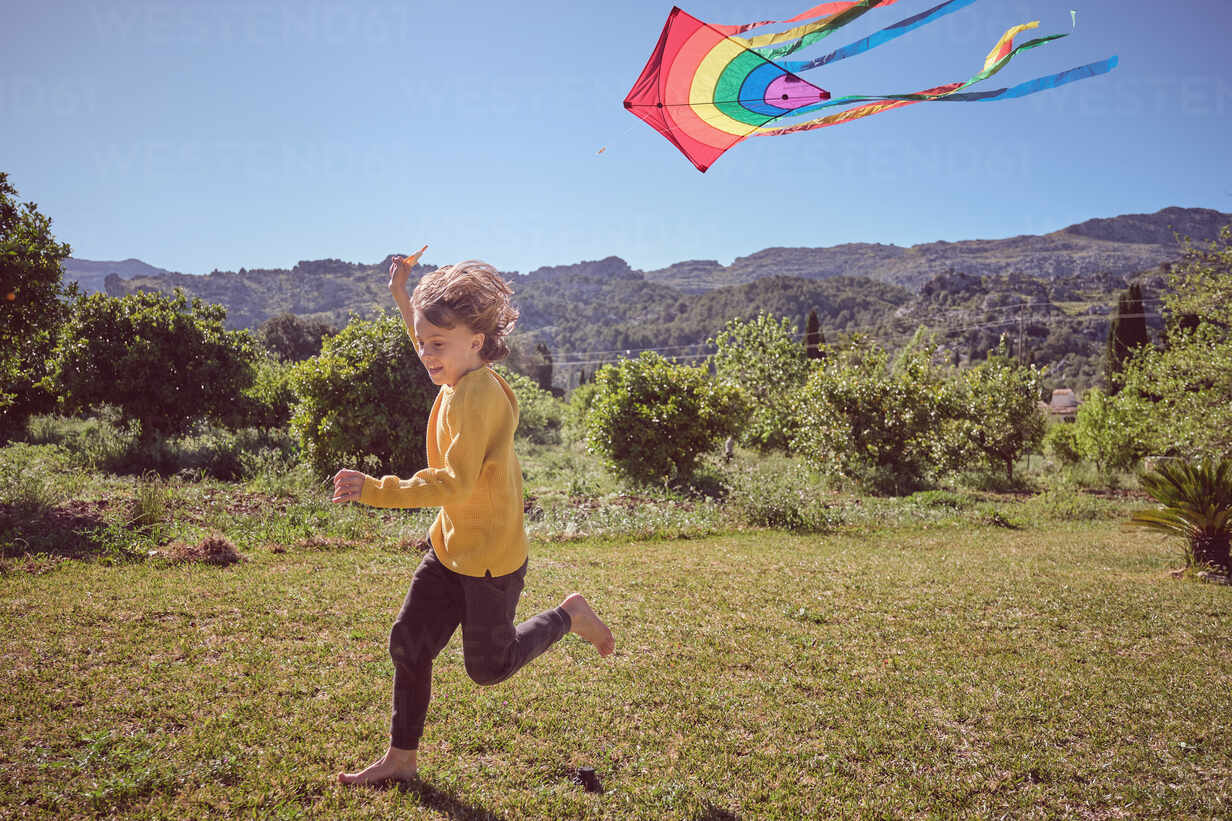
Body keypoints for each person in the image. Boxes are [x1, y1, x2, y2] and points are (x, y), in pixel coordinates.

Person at [332, 247, 614, 785]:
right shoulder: (455, 371)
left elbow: (453, 482)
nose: (425, 354)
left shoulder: (477, 396)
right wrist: (403, 294)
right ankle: (402, 760)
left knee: (489, 667)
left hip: (489, 560)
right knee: (409, 643)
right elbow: (432, 334)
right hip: (449, 549)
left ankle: (568, 615)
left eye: (436, 345)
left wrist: (375, 489)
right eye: (421, 342)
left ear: (476, 342)